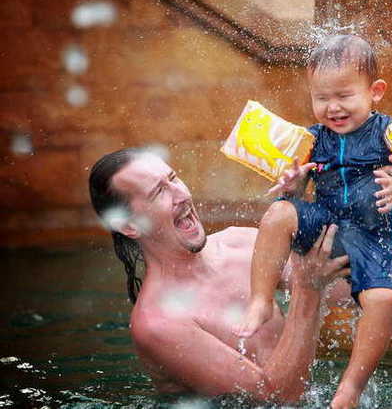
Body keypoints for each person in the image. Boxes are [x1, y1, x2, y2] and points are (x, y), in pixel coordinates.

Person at [238, 34, 392, 408]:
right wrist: (293, 184)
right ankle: (260, 300)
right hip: (328, 225)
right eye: (321, 98)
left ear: (375, 91)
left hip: (375, 235)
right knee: (278, 213)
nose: (333, 108)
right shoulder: (312, 140)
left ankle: (349, 389)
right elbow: (294, 190)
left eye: (344, 96)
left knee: (383, 299)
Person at [88, 147, 352, 403]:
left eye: (173, 178)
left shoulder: (239, 243)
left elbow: (349, 288)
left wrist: (310, 213)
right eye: (158, 192)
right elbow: (277, 399)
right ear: (129, 225)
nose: (181, 195)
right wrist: (308, 291)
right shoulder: (159, 323)